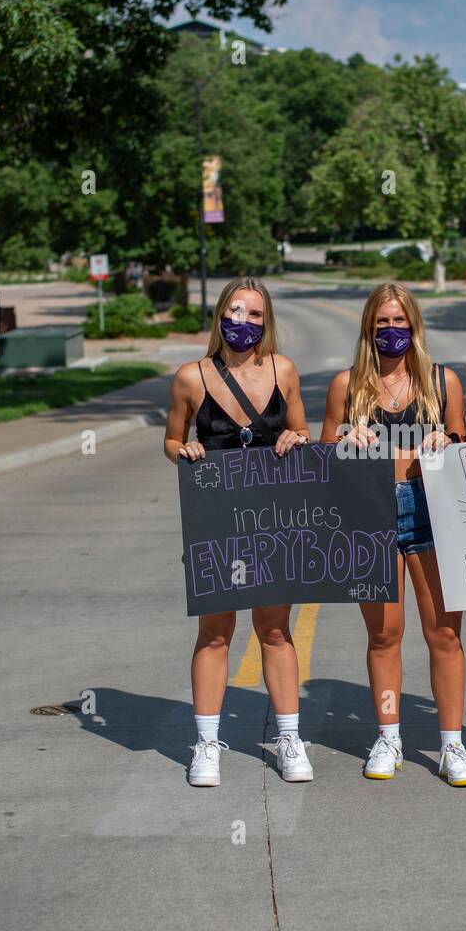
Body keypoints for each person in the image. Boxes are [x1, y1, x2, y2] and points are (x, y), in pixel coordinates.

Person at [320, 283, 466, 786]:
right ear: (369, 327)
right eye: (382, 323)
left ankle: (453, 745)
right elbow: (324, 451)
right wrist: (348, 437)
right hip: (372, 515)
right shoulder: (348, 385)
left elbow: (462, 438)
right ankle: (388, 736)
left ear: (414, 325)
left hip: (432, 512)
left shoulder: (441, 380)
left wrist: (446, 439)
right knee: (384, 635)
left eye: (400, 321)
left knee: (445, 633)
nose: (392, 330)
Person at [164, 277, 312, 787]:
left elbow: (302, 430)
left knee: (274, 630)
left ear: (265, 321)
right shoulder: (191, 377)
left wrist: (295, 435)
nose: (242, 322)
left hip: (272, 521)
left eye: (253, 314)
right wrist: (182, 450)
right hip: (216, 519)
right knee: (214, 634)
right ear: (219, 316)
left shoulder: (283, 369)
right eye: (234, 311)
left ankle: (289, 737)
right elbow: (171, 438)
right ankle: (206, 744)